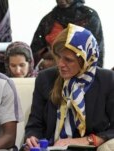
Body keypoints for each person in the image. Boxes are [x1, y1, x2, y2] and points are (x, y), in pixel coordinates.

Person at [24, 23, 114, 151]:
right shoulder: (45, 78)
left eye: (68, 59)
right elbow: (35, 124)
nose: (60, 64)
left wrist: (88, 140)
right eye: (58, 56)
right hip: (50, 147)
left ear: (85, 60)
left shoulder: (107, 80)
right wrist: (32, 138)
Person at [30, 0, 104, 70]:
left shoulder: (88, 16)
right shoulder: (48, 20)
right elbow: (34, 52)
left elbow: (94, 50)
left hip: (82, 73)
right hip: (51, 74)